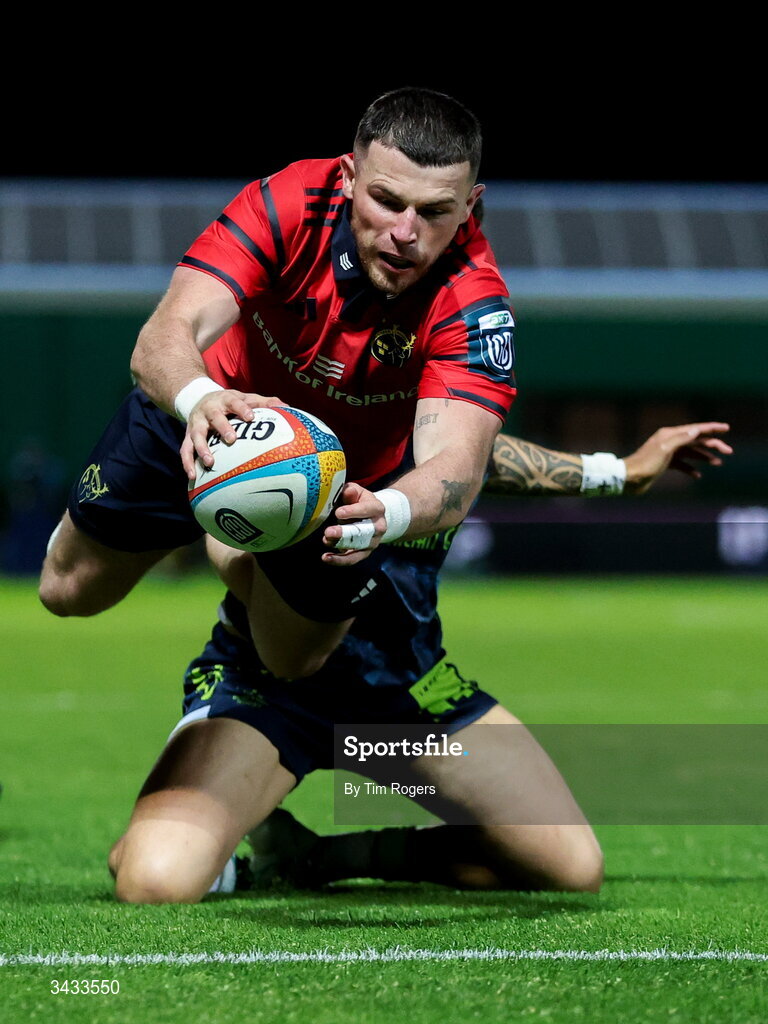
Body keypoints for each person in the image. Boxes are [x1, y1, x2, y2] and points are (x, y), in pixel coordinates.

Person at [106, 420, 732, 903]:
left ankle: (321, 858)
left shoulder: (436, 419)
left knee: (567, 868)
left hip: (403, 709)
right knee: (154, 879)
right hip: (267, 700)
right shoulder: (286, 424)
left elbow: (481, 458)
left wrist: (620, 472)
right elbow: (228, 534)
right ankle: (196, 819)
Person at [39, 86, 518, 682]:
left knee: (292, 662)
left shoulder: (474, 301)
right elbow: (164, 336)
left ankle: (236, 541)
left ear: (470, 205)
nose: (404, 231)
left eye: (434, 211)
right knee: (67, 591)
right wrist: (199, 399)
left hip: (341, 489)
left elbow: (456, 467)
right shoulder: (290, 202)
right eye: (386, 200)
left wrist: (385, 514)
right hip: (209, 410)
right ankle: (213, 523)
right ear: (348, 177)